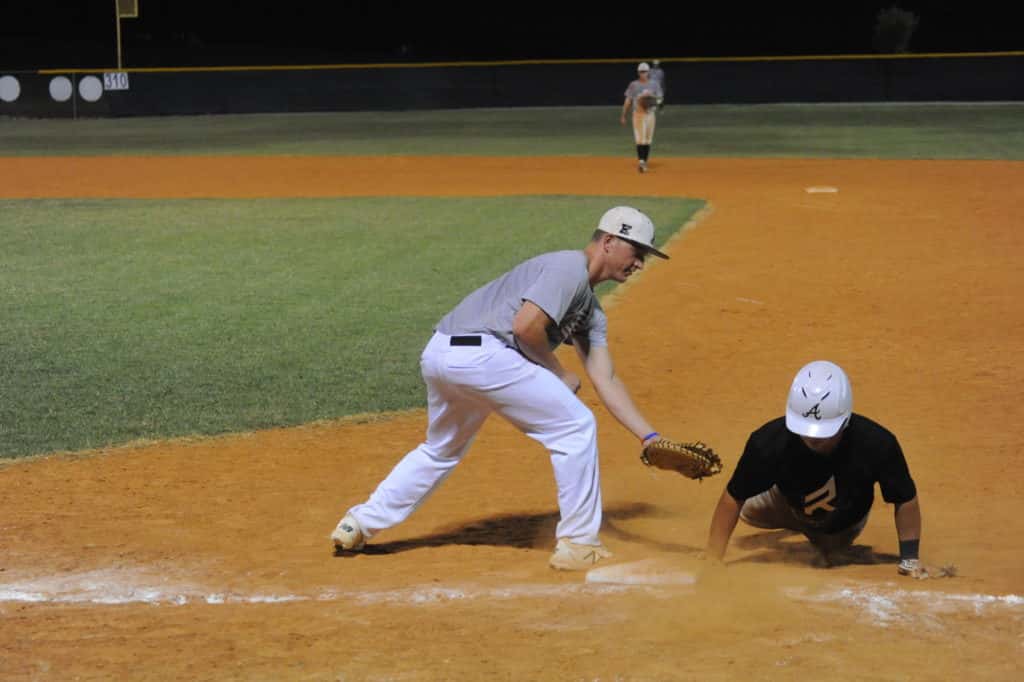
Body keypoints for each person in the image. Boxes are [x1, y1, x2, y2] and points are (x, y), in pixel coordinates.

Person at [332, 206, 675, 571]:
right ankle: (579, 543)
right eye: (637, 251)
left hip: (441, 354)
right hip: (483, 355)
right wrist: (558, 372)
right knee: (575, 427)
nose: (640, 263)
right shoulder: (569, 268)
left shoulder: (589, 312)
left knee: (440, 449)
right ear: (608, 242)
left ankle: (359, 523)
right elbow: (526, 327)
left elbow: (605, 378)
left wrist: (648, 436)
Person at [704, 360, 925, 575]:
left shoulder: (878, 444)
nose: (813, 438)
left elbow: (904, 498)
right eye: (805, 429)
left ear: (845, 419)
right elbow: (734, 495)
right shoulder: (767, 442)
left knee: (830, 555)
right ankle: (789, 523)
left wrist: (910, 559)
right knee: (747, 510)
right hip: (781, 503)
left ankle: (821, 538)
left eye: (824, 431)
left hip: (842, 520)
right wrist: (713, 558)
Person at [620, 62, 664, 174]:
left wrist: (659, 105)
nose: (643, 73)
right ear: (638, 72)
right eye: (641, 72)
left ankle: (644, 162)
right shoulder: (633, 85)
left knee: (648, 140)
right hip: (638, 115)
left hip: (650, 115)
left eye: (645, 71)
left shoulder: (654, 84)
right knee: (640, 139)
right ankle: (641, 162)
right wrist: (623, 115)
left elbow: (659, 98)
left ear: (648, 72)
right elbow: (628, 101)